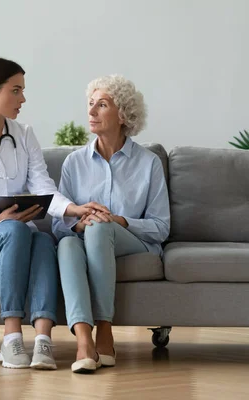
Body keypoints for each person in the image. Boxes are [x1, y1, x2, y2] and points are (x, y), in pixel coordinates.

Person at [0, 57, 108, 370]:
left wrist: (73, 208)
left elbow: (44, 187)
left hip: (18, 229)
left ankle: (43, 340)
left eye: (23, 90)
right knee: (18, 231)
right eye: (16, 90)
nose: (23, 99)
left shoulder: (24, 134)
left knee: (44, 240)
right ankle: (11, 338)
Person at [52, 74, 170, 373]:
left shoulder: (148, 163)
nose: (91, 112)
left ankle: (104, 327)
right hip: (84, 238)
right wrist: (78, 223)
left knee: (100, 226)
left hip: (134, 244)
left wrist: (118, 221)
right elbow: (58, 225)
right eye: (90, 104)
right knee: (66, 244)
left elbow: (160, 227)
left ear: (123, 114)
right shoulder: (73, 163)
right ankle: (83, 341)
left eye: (101, 105)